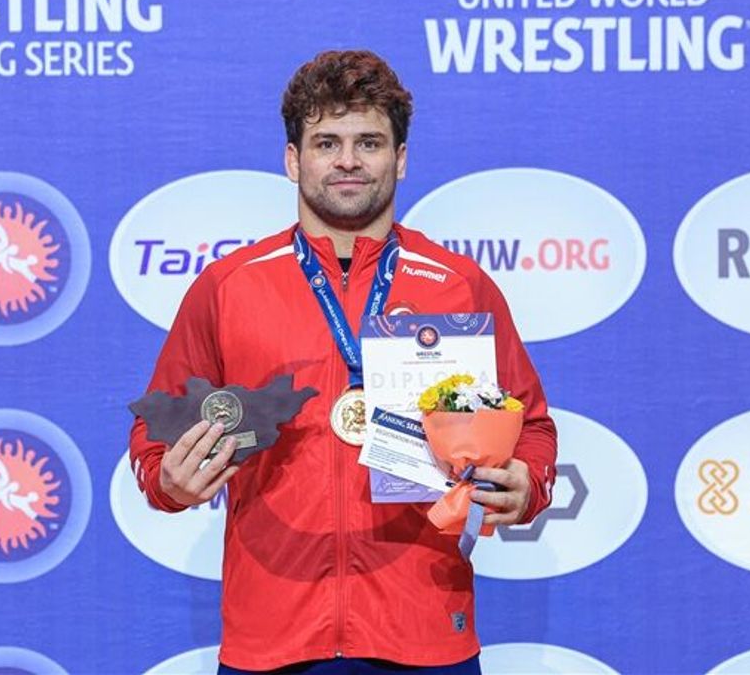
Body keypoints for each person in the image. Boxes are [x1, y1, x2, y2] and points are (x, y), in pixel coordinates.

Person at [129, 50, 558, 674]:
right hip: (272, 637)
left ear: (401, 159)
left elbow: (532, 426)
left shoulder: (459, 286)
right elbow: (153, 439)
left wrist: (527, 484)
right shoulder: (228, 286)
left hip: (425, 631)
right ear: (293, 160)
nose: (348, 160)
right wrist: (168, 484)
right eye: (327, 143)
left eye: (369, 143)